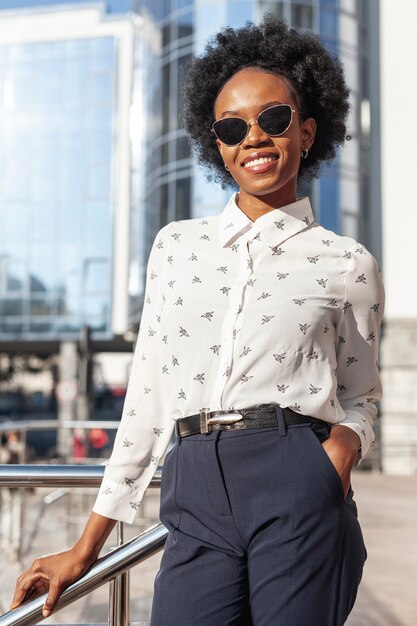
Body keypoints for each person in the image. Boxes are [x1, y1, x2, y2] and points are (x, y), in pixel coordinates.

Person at [10, 16, 384, 626]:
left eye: (274, 119)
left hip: (296, 475)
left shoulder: (347, 263)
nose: (254, 138)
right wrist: (87, 547)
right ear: (217, 144)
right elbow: (148, 401)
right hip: (194, 483)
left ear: (308, 129)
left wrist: (341, 449)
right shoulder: (177, 247)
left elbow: (360, 392)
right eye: (233, 127)